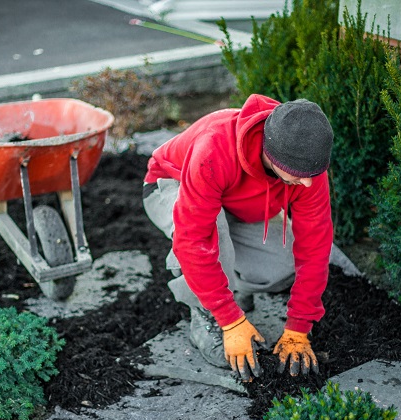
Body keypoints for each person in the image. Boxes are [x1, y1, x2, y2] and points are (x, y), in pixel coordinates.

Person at [142, 93, 333, 382]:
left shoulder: (306, 166)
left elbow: (315, 245)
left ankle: (228, 286)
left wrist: (299, 326)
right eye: (299, 175)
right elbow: (192, 240)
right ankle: (206, 319)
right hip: (172, 184)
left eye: (312, 174)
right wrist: (229, 320)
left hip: (232, 204)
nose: (307, 182)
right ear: (272, 154)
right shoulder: (214, 148)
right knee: (209, 235)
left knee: (282, 264)